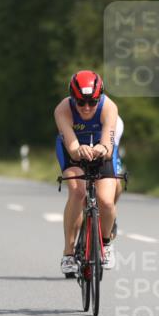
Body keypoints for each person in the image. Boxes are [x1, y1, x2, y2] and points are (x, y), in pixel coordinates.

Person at [54, 70, 124, 275]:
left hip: (101, 148)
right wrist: (79, 150)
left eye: (92, 102)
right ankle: (68, 253)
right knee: (78, 192)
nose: (86, 107)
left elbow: (108, 144)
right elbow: (72, 144)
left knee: (107, 200)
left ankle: (106, 242)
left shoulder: (109, 106)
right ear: (72, 98)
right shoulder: (62, 109)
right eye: (80, 102)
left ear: (99, 98)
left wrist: (102, 149)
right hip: (72, 150)